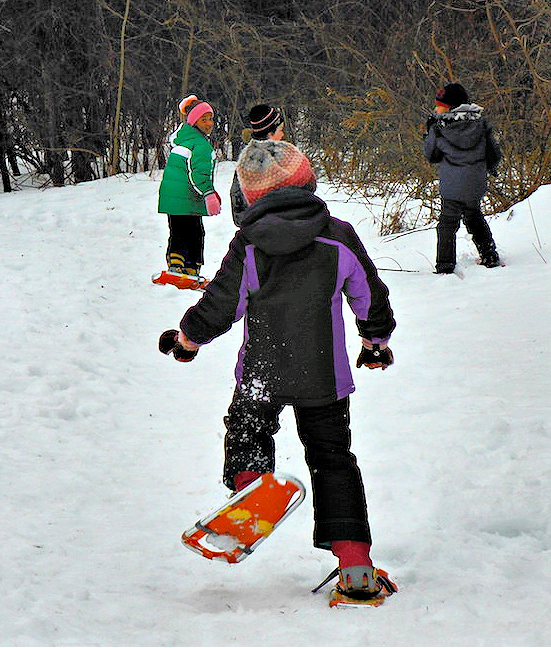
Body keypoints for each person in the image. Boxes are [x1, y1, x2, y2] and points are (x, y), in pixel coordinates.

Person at [159, 139, 397, 599]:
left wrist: (187, 339)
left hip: (261, 373)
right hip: (324, 378)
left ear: (247, 196)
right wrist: (375, 342)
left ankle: (250, 495)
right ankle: (356, 569)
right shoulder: (338, 235)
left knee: (247, 431)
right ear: (307, 182)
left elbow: (219, 304)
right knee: (333, 460)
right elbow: (370, 294)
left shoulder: (248, 246)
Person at [422, 82, 503, 273]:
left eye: (440, 106)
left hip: (452, 186)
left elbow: (431, 155)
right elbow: (494, 155)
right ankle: (489, 254)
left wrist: (429, 133)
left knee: (447, 224)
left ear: (450, 107)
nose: (437, 109)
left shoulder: (439, 127)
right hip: (475, 183)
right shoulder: (481, 124)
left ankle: (445, 264)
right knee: (474, 216)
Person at [158, 95, 222, 278]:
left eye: (210, 118)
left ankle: (176, 265)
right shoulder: (201, 145)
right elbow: (199, 173)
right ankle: (190, 268)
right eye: (204, 119)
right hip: (187, 197)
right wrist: (209, 194)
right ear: (194, 122)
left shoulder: (184, 140)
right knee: (194, 232)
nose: (209, 123)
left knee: (178, 230)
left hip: (173, 197)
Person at [229, 104, 285, 226]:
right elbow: (238, 202)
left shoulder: (276, 155)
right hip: (262, 232)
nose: (283, 135)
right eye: (280, 130)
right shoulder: (254, 160)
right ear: (270, 133)